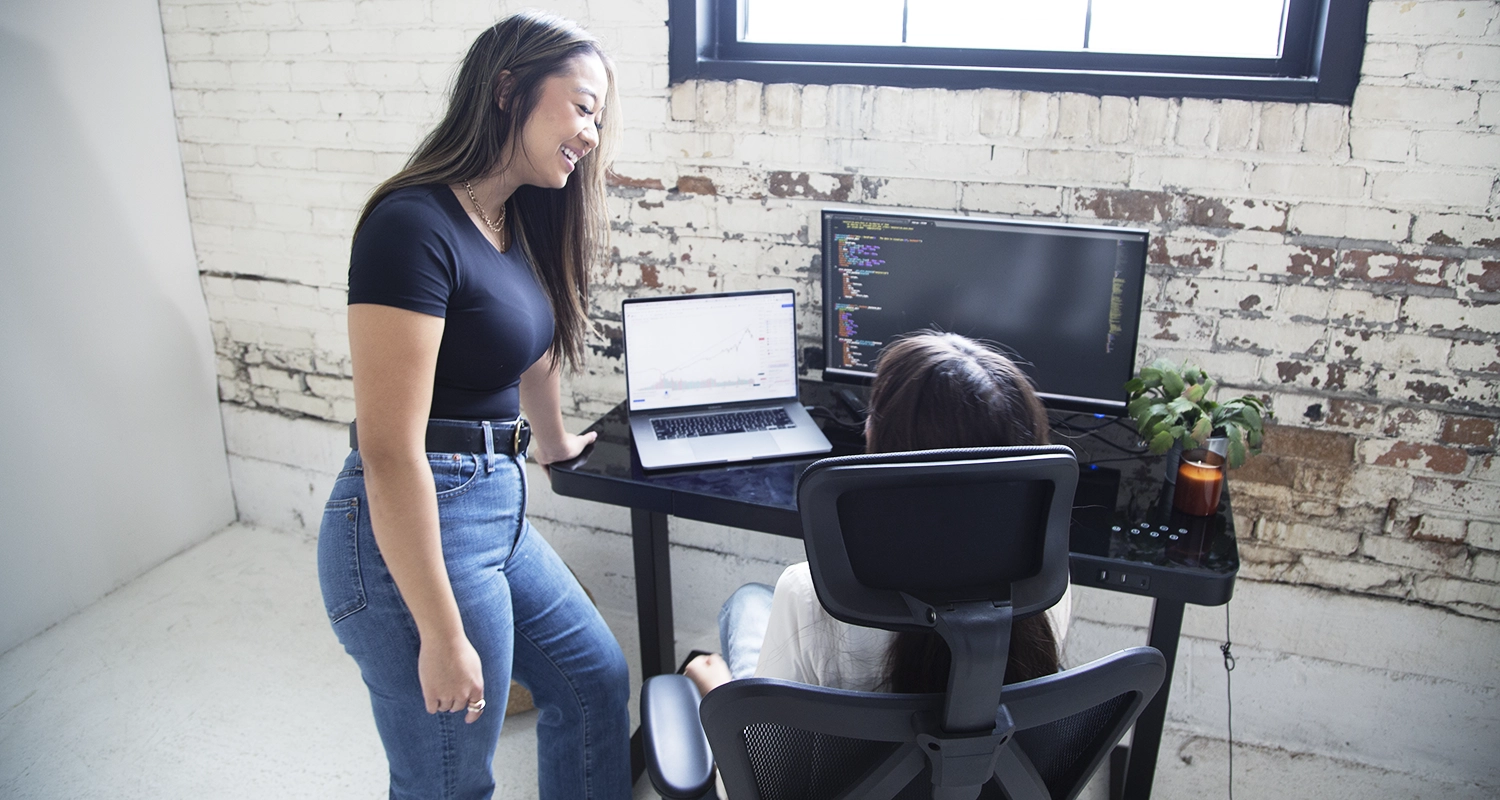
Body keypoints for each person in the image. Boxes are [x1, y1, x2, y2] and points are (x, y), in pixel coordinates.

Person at [316, 12, 630, 799]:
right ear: (506, 89)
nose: (592, 133)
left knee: (594, 680)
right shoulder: (410, 227)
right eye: (583, 106)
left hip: (496, 504)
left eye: (599, 116)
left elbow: (533, 340)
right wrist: (441, 631)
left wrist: (554, 443)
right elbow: (390, 450)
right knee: (450, 782)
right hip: (415, 525)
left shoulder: (513, 215)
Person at [685, 331, 1070, 699]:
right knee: (749, 601)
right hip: (996, 769)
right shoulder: (1048, 584)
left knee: (746, 603)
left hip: (829, 770)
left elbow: (759, 765)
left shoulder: (818, 594)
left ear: (890, 453)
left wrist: (718, 689)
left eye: (874, 414)